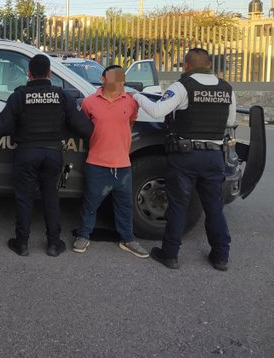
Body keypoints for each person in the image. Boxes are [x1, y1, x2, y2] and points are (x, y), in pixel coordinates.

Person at [133, 48, 236, 271]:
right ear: (209, 64)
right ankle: (221, 257)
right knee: (214, 207)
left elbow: (157, 110)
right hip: (213, 156)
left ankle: (170, 255)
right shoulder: (227, 88)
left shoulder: (182, 86)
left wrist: (136, 96)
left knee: (178, 205)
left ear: (186, 65)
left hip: (185, 156)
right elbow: (230, 121)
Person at [0, 54, 93, 257]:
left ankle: (22, 244)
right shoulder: (62, 95)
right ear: (49, 73)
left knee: (24, 199)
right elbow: (84, 127)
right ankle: (54, 244)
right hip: (53, 154)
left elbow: (1, 127)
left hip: (26, 153)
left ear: (29, 73)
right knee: (51, 198)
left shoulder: (19, 96)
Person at [72, 65, 149, 258]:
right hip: (96, 163)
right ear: (104, 79)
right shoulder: (89, 102)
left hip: (123, 164)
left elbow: (130, 123)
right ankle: (83, 235)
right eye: (114, 77)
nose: (118, 82)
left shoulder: (130, 102)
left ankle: (128, 239)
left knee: (125, 205)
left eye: (121, 78)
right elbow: (84, 127)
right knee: (90, 203)